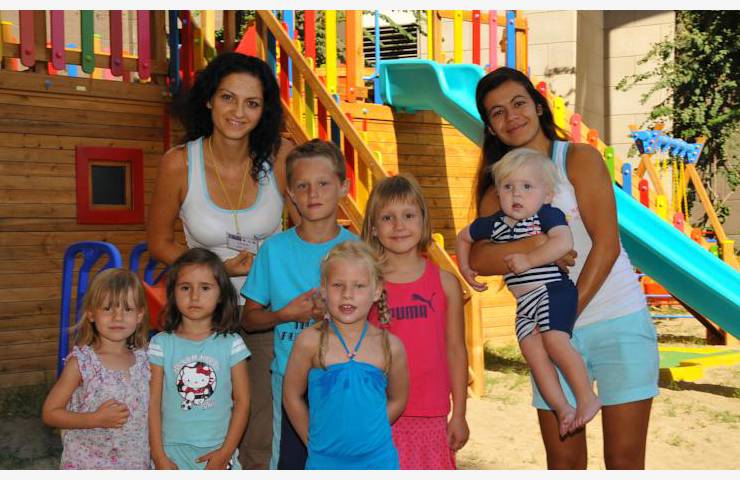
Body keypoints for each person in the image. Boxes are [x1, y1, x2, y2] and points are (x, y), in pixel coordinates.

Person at [469, 66, 659, 469]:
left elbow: (606, 246)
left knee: (624, 461)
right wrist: (538, 245)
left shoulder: (577, 158)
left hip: (615, 321)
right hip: (548, 336)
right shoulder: (498, 189)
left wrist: (563, 318)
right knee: (564, 463)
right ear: (490, 127)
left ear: (538, 106)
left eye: (518, 103)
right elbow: (479, 258)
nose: (511, 116)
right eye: (497, 112)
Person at [147, 52, 295, 469]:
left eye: (252, 103)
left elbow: (306, 225)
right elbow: (159, 242)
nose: (238, 112)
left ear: (264, 111)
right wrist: (217, 271)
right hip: (202, 313)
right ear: (210, 99)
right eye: (228, 97)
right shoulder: (179, 162)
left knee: (262, 421)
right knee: (198, 414)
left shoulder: (281, 156)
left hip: (265, 310)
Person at [456, 148, 601, 437]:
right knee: (533, 355)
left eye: (526, 187)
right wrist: (465, 268)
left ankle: (587, 397)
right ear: (498, 192)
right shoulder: (495, 224)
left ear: (547, 194)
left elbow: (563, 242)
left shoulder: (546, 215)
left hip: (552, 291)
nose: (516, 194)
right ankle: (563, 409)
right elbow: (463, 237)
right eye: (508, 187)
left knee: (555, 342)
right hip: (525, 304)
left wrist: (529, 260)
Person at [241, 139, 358, 469]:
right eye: (303, 186)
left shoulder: (358, 250)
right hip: (289, 379)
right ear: (290, 193)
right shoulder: (273, 250)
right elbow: (249, 320)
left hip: (344, 377)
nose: (313, 194)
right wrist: (286, 314)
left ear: (343, 187)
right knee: (291, 462)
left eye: (323, 184)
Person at [361, 174, 469, 469]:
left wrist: (460, 413)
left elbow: (456, 350)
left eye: (408, 215)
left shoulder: (445, 283)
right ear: (374, 227)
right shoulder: (365, 285)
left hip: (432, 413)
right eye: (388, 217)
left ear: (423, 221)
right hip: (378, 412)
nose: (399, 226)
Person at [282, 241, 409, 469]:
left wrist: (370, 431)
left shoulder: (391, 346)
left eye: (359, 286)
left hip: (378, 462)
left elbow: (398, 399)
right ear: (323, 288)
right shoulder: (309, 342)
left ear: (376, 291)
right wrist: (312, 441)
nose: (347, 295)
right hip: (323, 462)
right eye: (338, 285)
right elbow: (291, 395)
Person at [148, 248, 250, 470]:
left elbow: (243, 402)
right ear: (173, 293)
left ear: (221, 294)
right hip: (170, 451)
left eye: (205, 288)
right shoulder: (160, 345)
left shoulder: (232, 344)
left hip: (218, 449)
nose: (194, 297)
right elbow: (152, 403)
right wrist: (158, 456)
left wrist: (225, 452)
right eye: (185, 288)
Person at [42, 269, 150, 470]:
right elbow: (50, 413)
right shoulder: (82, 363)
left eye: (127, 309)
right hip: (88, 464)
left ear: (139, 315)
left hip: (136, 463)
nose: (118, 317)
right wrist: (94, 419)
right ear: (91, 313)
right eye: (108, 308)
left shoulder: (146, 360)